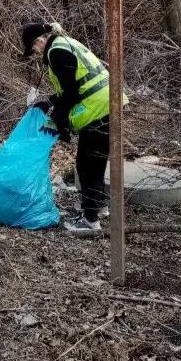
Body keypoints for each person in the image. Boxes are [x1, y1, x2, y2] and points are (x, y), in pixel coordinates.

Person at [21, 22, 125, 234]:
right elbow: (73, 87)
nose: (35, 52)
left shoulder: (56, 52)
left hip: (98, 108)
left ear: (40, 41)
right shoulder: (65, 43)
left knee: (88, 163)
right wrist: (49, 102)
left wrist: (59, 119)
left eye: (33, 48)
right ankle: (97, 205)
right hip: (109, 102)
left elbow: (72, 93)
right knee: (94, 160)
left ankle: (90, 219)